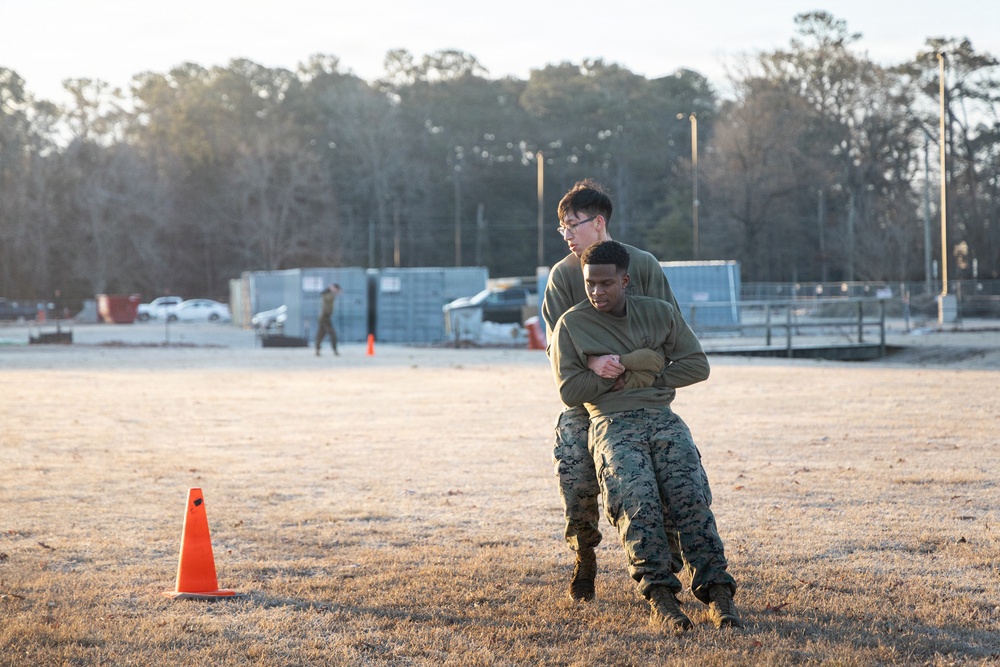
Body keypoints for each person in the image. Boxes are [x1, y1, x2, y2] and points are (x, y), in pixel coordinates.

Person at [549, 240, 740, 631]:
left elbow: (697, 364)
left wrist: (650, 377)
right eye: (590, 285)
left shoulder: (658, 313)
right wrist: (626, 372)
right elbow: (570, 391)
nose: (597, 292)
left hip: (661, 415)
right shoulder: (572, 323)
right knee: (637, 502)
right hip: (611, 421)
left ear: (625, 280)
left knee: (690, 496)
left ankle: (718, 592)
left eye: (605, 283)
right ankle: (660, 595)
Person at [541, 179, 685, 602]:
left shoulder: (642, 266)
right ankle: (584, 555)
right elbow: (554, 345)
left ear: (598, 223)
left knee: (665, 482)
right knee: (574, 471)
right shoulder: (562, 277)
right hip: (587, 400)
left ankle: (668, 560)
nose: (566, 234)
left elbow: (671, 332)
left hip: (639, 395)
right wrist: (588, 361)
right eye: (561, 228)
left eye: (572, 225)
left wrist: (634, 368)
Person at [315, 284, 341, 356]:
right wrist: (334, 291)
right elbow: (329, 298)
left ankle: (317, 350)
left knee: (321, 334)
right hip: (324, 317)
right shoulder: (328, 294)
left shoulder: (327, 293)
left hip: (325, 317)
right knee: (332, 334)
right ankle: (335, 350)